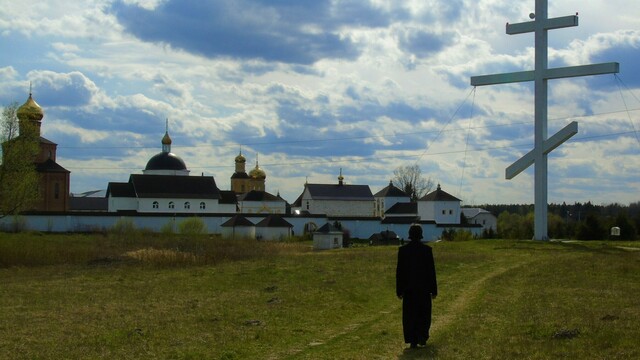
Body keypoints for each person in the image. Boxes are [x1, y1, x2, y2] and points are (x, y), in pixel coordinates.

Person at [396, 224, 437, 348]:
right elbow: (431, 271)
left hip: (409, 290)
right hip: (424, 290)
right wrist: (434, 290)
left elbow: (400, 272)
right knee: (424, 314)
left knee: (410, 316)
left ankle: (412, 340)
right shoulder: (427, 250)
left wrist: (399, 290)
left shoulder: (403, 251)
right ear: (420, 235)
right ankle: (422, 336)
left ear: (410, 235)